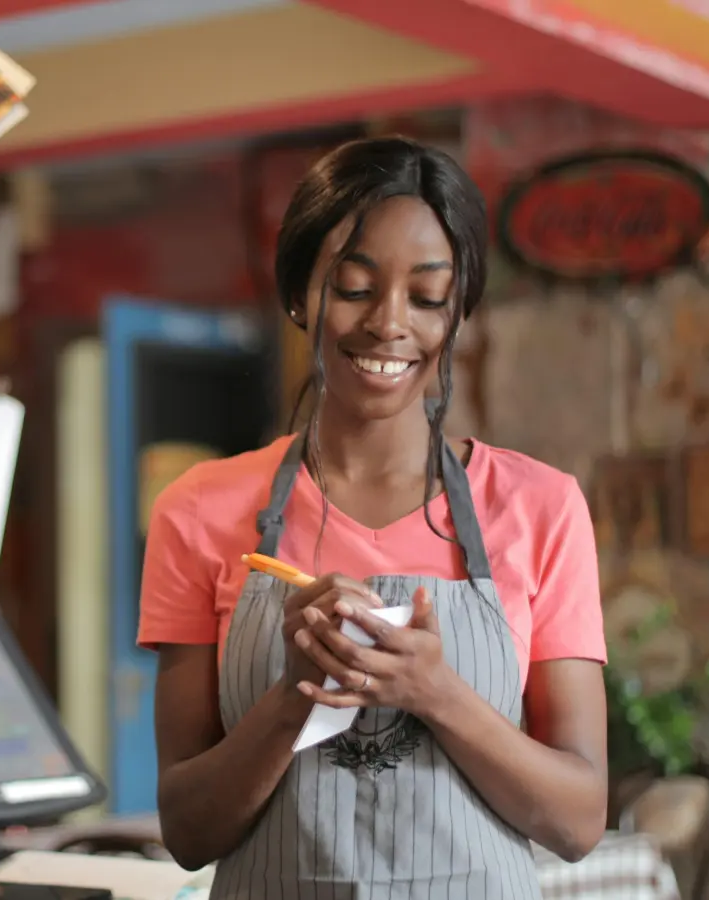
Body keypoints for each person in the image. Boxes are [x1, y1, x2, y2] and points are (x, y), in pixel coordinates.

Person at [138, 137, 608, 898]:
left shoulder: (541, 507)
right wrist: (296, 690)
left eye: (427, 297)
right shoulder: (199, 511)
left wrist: (437, 693)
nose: (390, 324)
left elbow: (579, 820)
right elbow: (189, 833)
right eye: (354, 287)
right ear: (299, 295)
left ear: (458, 312)